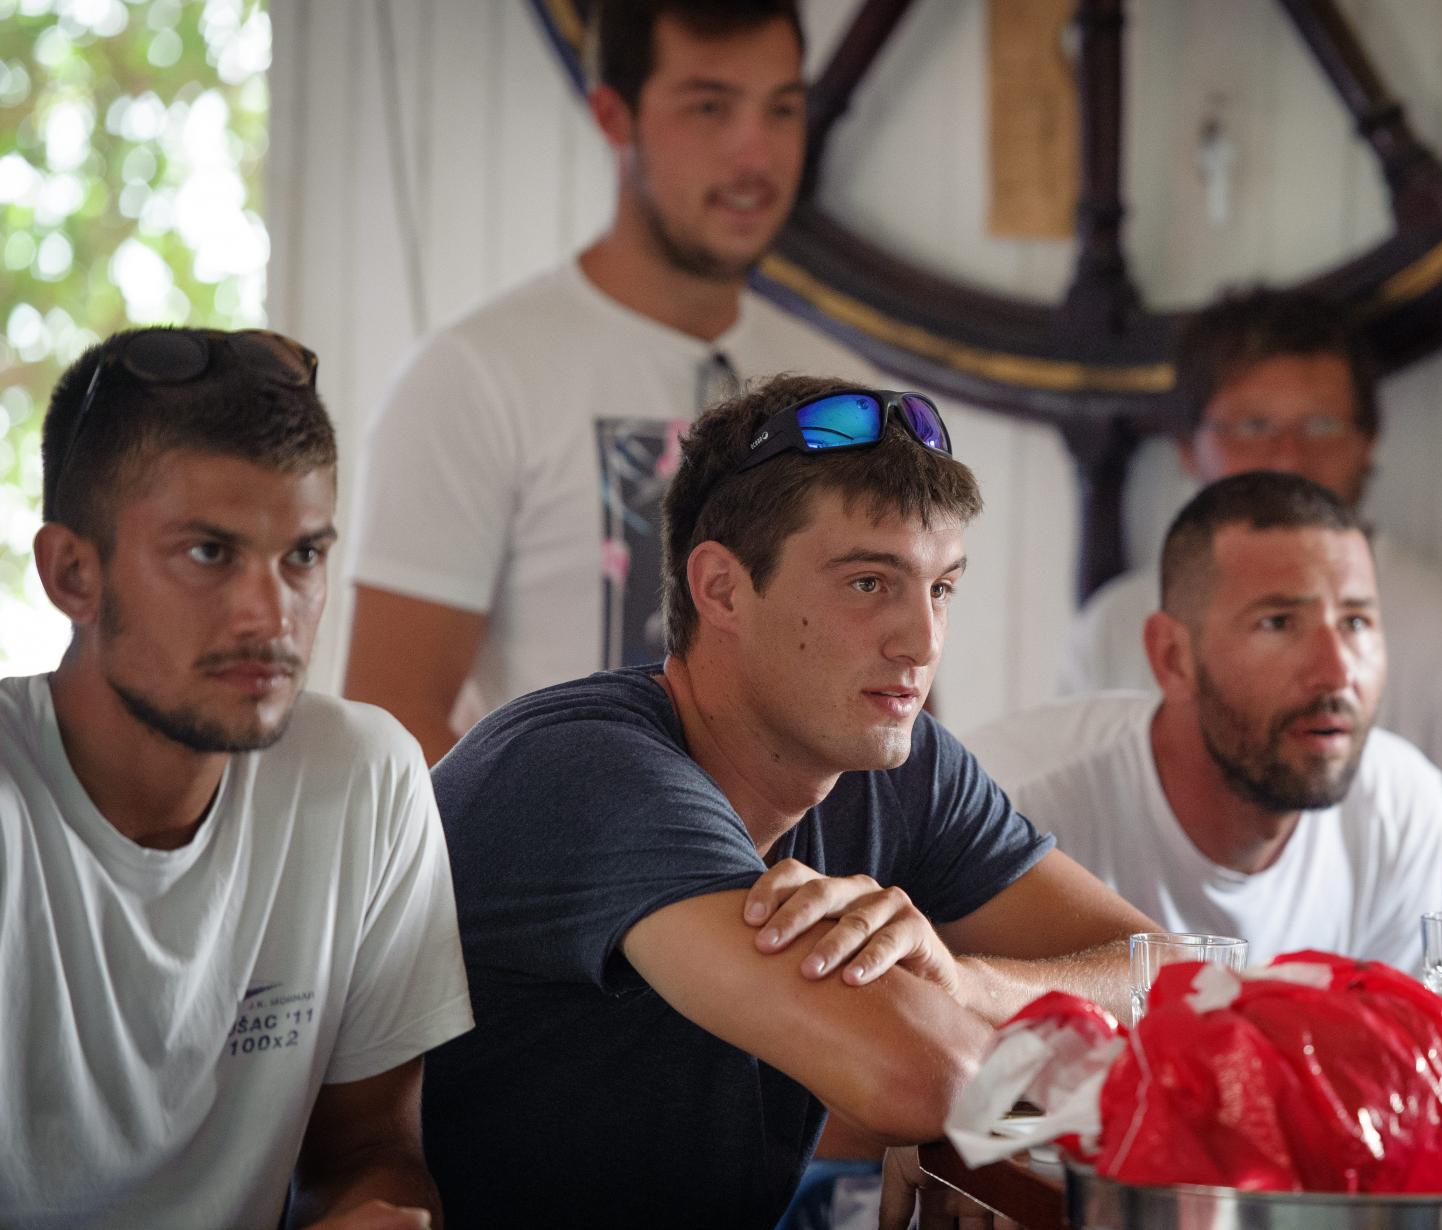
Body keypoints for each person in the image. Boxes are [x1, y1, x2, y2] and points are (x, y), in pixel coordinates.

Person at [420, 375, 1156, 1226]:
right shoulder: (586, 770)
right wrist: (953, 1110)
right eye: (869, 583)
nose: (922, 643)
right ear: (722, 589)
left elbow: (1184, 981)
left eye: (941, 588)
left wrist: (967, 988)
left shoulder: (895, 766)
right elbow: (917, 1076)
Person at [1, 328, 473, 1229]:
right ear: (72, 572)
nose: (272, 615)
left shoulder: (364, 776)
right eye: (209, 554)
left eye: (303, 556)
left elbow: (367, 1150)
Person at [344, 0, 880, 761]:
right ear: (614, 116)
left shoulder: (846, 395)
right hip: (561, 837)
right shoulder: (476, 377)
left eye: (782, 109)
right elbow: (391, 720)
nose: (756, 153)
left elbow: (894, 706)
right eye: (709, 107)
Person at [1058, 288, 1442, 820]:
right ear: (1188, 447)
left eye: (1321, 425)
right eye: (1253, 426)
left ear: (1368, 442)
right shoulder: (1113, 627)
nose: (1288, 458)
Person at [970, 472, 1442, 971]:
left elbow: (1385, 1023)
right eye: (1278, 623)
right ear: (1173, 658)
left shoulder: (1401, 804)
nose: (1337, 672)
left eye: (1356, 622)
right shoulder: (1017, 809)